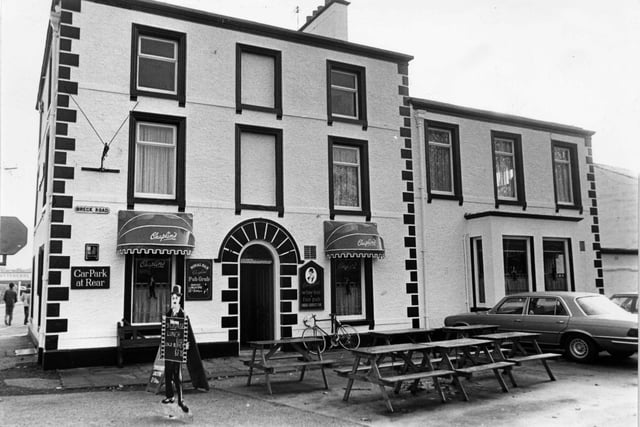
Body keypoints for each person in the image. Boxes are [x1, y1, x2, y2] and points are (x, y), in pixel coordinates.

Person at [162, 285, 189, 414]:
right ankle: (170, 395)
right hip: (169, 346)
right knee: (168, 371)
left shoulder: (182, 314)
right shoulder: (168, 313)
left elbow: (185, 330)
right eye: (172, 297)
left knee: (177, 374)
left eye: (176, 298)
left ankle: (181, 399)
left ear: (179, 299)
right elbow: (165, 328)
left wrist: (185, 343)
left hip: (177, 346)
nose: (174, 300)